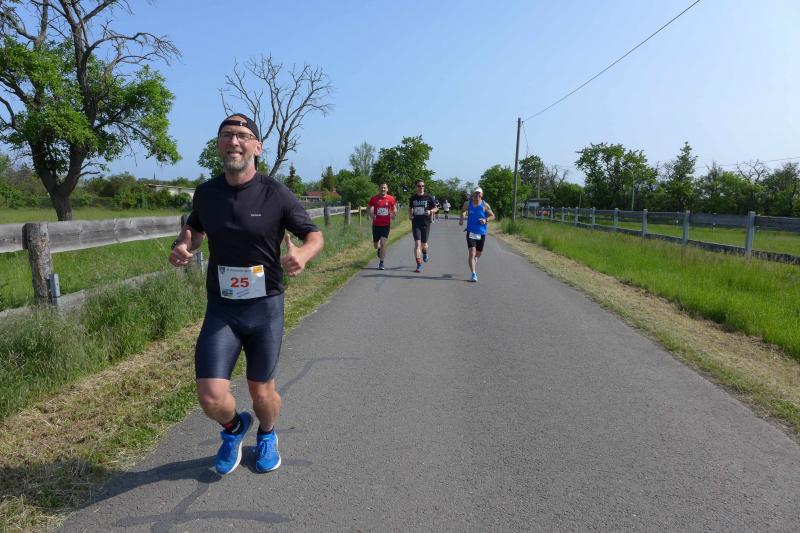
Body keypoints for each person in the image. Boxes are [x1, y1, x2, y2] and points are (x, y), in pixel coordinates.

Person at [168, 113, 323, 475]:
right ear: (218, 145)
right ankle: (235, 427)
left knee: (261, 392)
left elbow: (314, 235)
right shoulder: (206, 193)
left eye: (242, 135)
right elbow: (195, 230)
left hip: (264, 307)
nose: (234, 141)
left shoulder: (275, 193)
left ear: (257, 146)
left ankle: (267, 433)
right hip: (222, 308)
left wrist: (302, 254)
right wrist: (183, 245)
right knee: (210, 396)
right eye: (227, 135)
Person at [459, 186, 495, 282]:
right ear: (473, 194)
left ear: (481, 195)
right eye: (475, 193)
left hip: (481, 232)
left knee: (478, 254)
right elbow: (463, 211)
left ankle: (474, 261)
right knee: (472, 253)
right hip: (470, 231)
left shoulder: (485, 205)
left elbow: (492, 216)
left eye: (479, 193)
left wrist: (485, 220)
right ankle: (473, 274)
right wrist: (461, 218)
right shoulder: (467, 203)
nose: (477, 195)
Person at [408, 180, 437, 272]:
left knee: (424, 244)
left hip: (426, 223)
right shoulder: (413, 198)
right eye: (419, 186)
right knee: (417, 243)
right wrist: (410, 215)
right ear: (416, 187)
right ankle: (419, 264)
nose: (421, 187)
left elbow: (436, 208)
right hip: (416, 223)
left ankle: (425, 252)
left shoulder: (429, 197)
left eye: (422, 186)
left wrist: (430, 211)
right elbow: (410, 208)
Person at [367, 182, 397, 270]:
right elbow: (368, 207)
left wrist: (394, 214)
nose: (383, 189)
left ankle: (381, 263)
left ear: (387, 189)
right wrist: (371, 215)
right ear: (379, 189)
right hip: (376, 225)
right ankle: (379, 248)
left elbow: (394, 207)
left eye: (384, 188)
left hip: (386, 225)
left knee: (383, 243)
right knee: (376, 245)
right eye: (381, 187)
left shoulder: (391, 198)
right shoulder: (374, 198)